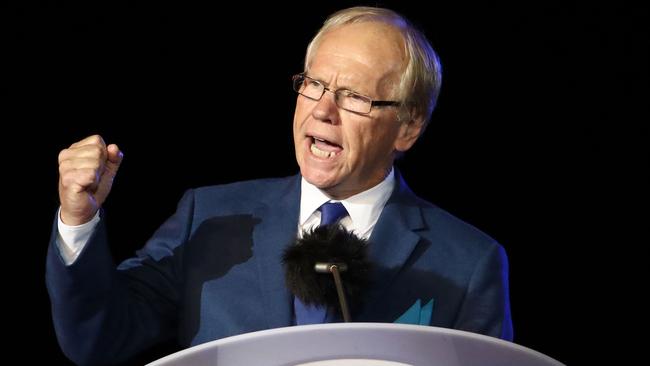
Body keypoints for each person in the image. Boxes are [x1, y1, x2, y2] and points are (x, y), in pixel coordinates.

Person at [47, 6, 513, 365]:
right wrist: (79, 219)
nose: (323, 110)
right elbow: (97, 338)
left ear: (408, 128)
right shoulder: (210, 218)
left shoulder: (468, 263)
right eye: (313, 84)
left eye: (353, 96)